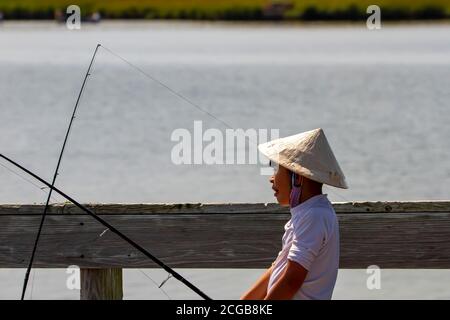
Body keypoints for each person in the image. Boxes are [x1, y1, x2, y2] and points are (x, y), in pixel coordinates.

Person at [240, 128, 348, 300]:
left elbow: (291, 280)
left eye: (276, 169)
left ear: (297, 178)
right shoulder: (306, 214)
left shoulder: (315, 215)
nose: (271, 178)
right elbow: (278, 267)